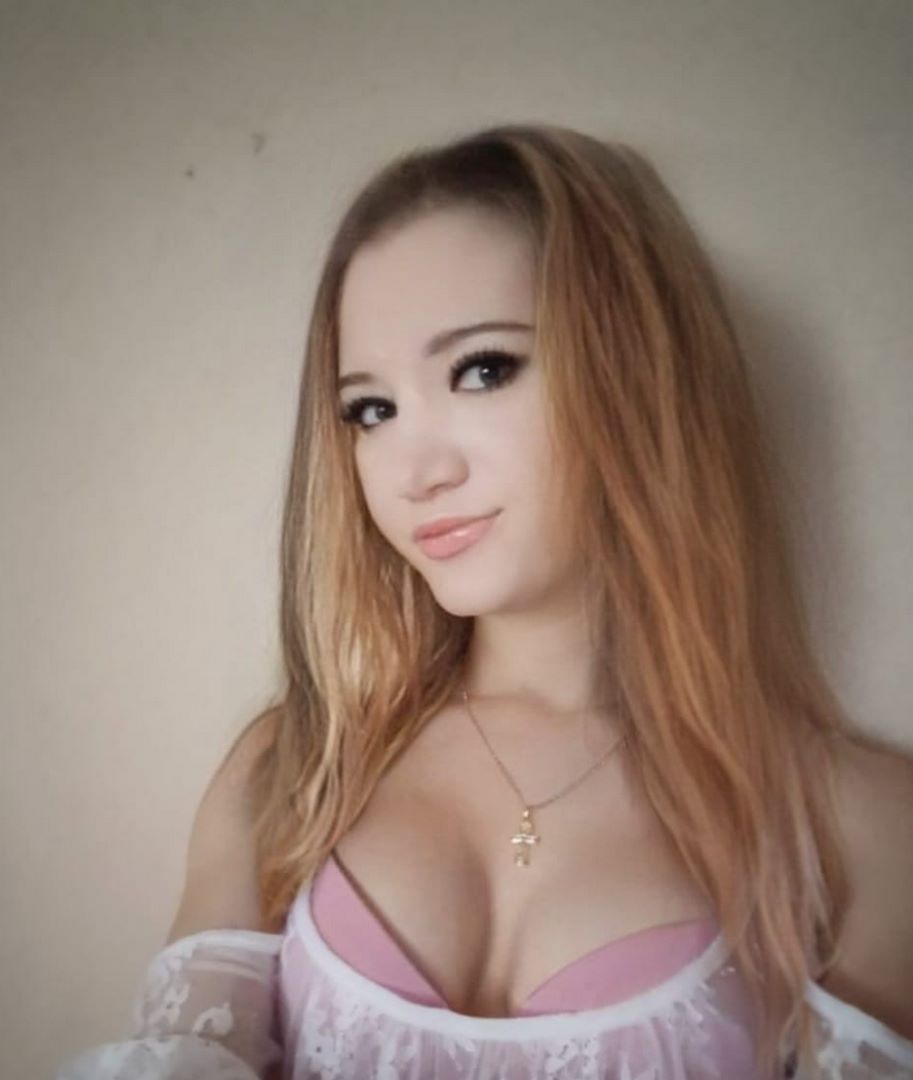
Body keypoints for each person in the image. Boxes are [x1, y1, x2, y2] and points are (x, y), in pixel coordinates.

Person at [56, 123, 913, 1079]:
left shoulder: (857, 830)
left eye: (483, 370)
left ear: (637, 371)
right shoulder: (293, 773)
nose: (415, 471)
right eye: (370, 410)